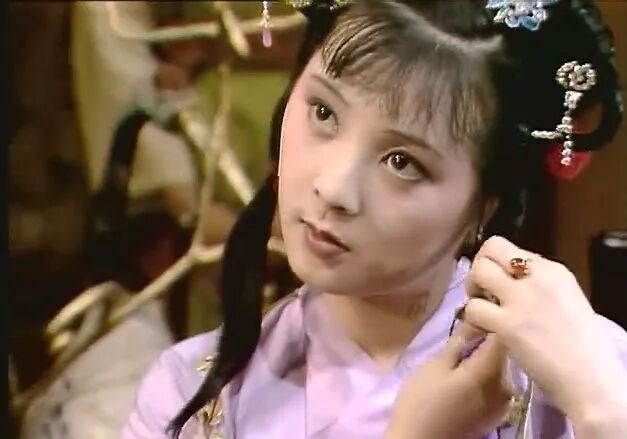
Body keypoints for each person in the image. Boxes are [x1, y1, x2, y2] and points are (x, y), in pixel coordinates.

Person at [122, 1, 627, 438]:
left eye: (403, 162)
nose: (333, 188)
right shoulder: (187, 391)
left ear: (484, 204)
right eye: (323, 113)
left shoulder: (584, 372)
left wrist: (604, 413)